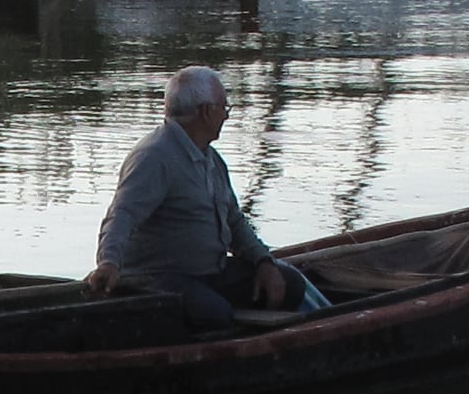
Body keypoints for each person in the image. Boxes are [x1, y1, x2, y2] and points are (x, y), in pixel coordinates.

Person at [89, 66, 310, 331]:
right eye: (224, 108)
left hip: (208, 274)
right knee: (213, 314)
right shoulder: (154, 157)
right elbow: (122, 215)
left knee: (290, 283)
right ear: (206, 111)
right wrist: (109, 263)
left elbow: (234, 221)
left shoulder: (211, 159)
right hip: (156, 278)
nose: (226, 116)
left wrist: (263, 261)